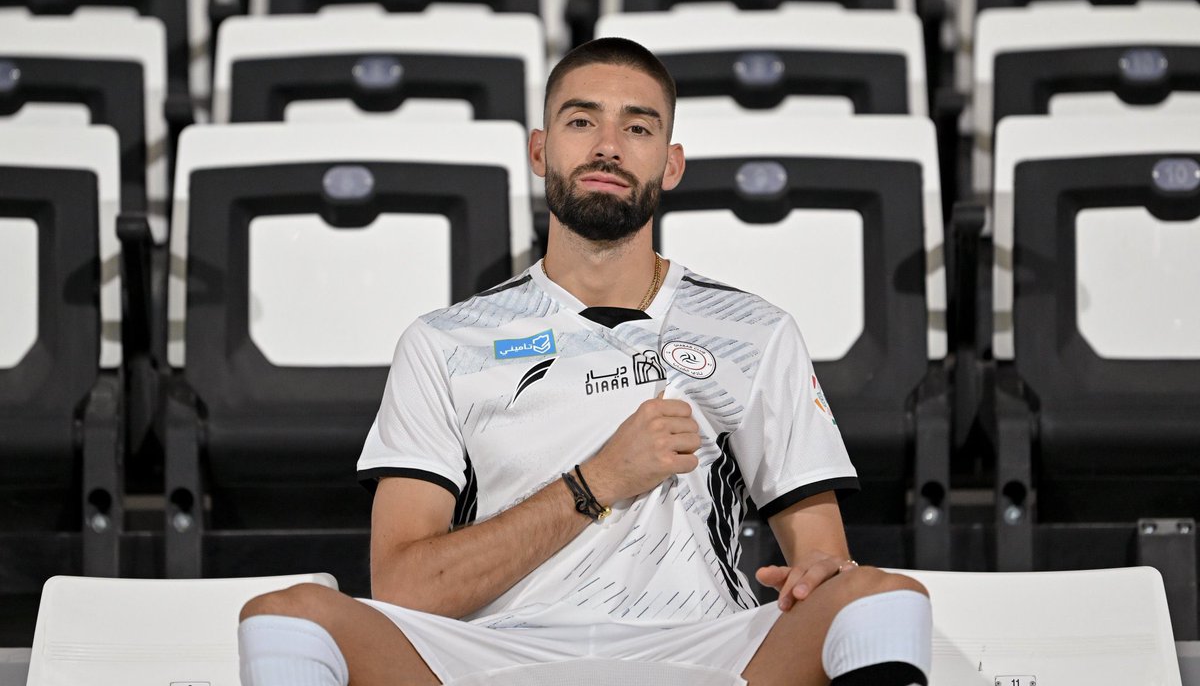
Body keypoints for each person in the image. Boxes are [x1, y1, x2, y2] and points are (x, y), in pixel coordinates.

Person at [237, 37, 932, 686]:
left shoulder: (756, 331)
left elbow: (822, 559)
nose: (608, 146)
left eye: (638, 127)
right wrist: (596, 479)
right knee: (287, 617)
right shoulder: (443, 342)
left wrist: (818, 577)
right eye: (580, 122)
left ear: (671, 163)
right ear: (540, 150)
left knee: (882, 600)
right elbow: (404, 588)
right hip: (495, 657)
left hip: (697, 649)